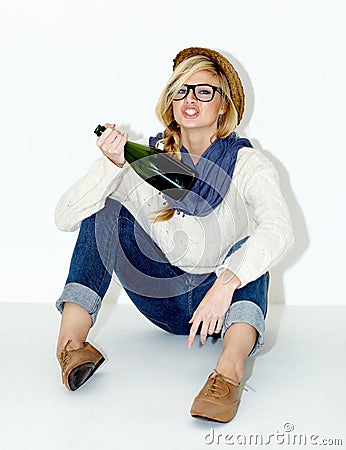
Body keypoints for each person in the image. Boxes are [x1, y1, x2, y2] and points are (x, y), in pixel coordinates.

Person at [55, 47, 294, 423]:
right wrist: (108, 167)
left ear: (222, 107)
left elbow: (280, 229)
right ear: (170, 102)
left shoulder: (247, 163)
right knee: (105, 210)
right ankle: (71, 347)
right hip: (161, 297)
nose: (190, 99)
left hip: (221, 309)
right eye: (181, 90)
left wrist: (226, 284)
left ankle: (228, 373)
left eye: (203, 91)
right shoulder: (148, 159)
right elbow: (65, 218)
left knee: (250, 251)